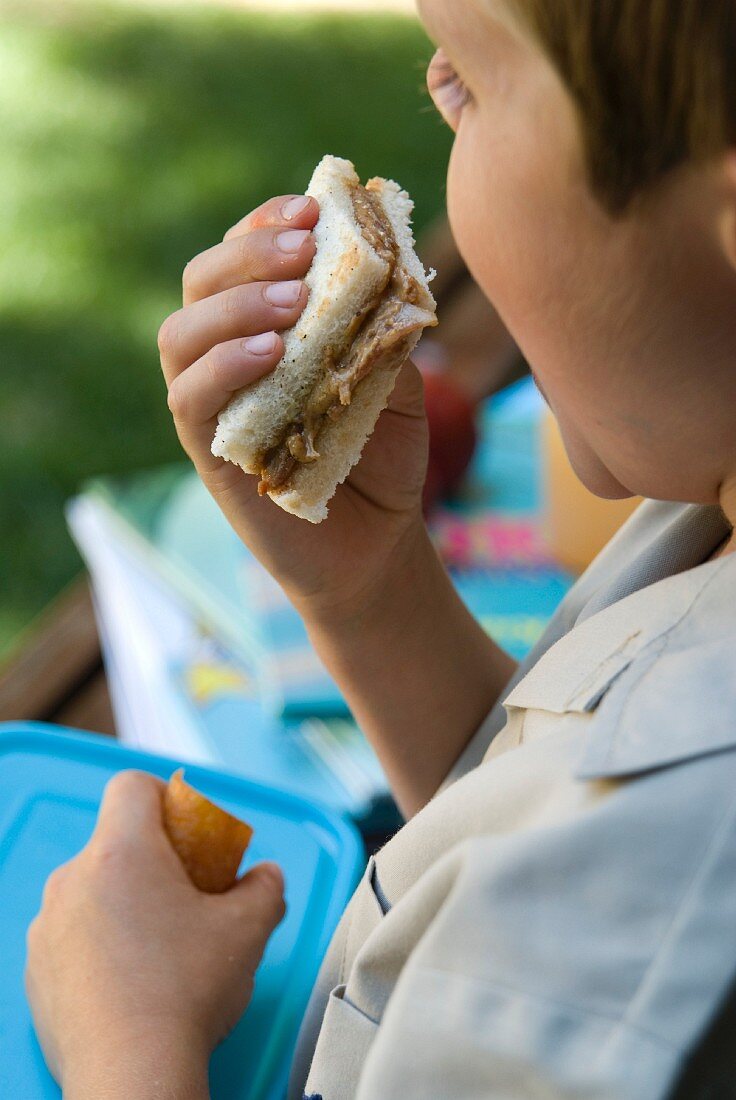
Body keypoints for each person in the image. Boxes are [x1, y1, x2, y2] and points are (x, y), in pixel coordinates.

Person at [26, 0, 736, 1095]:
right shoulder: (706, 489)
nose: (435, 97)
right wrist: (369, 594)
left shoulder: (593, 970)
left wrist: (129, 1040)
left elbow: (570, 881)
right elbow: (538, 804)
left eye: (466, 79)